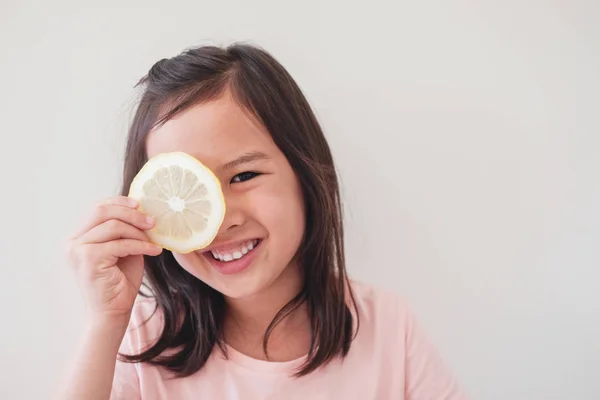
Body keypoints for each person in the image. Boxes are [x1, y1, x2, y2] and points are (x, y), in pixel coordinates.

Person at [60, 43, 468, 400]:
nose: (221, 220)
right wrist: (105, 322)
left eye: (243, 176)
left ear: (304, 175)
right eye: (188, 193)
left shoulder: (388, 328)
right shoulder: (139, 339)